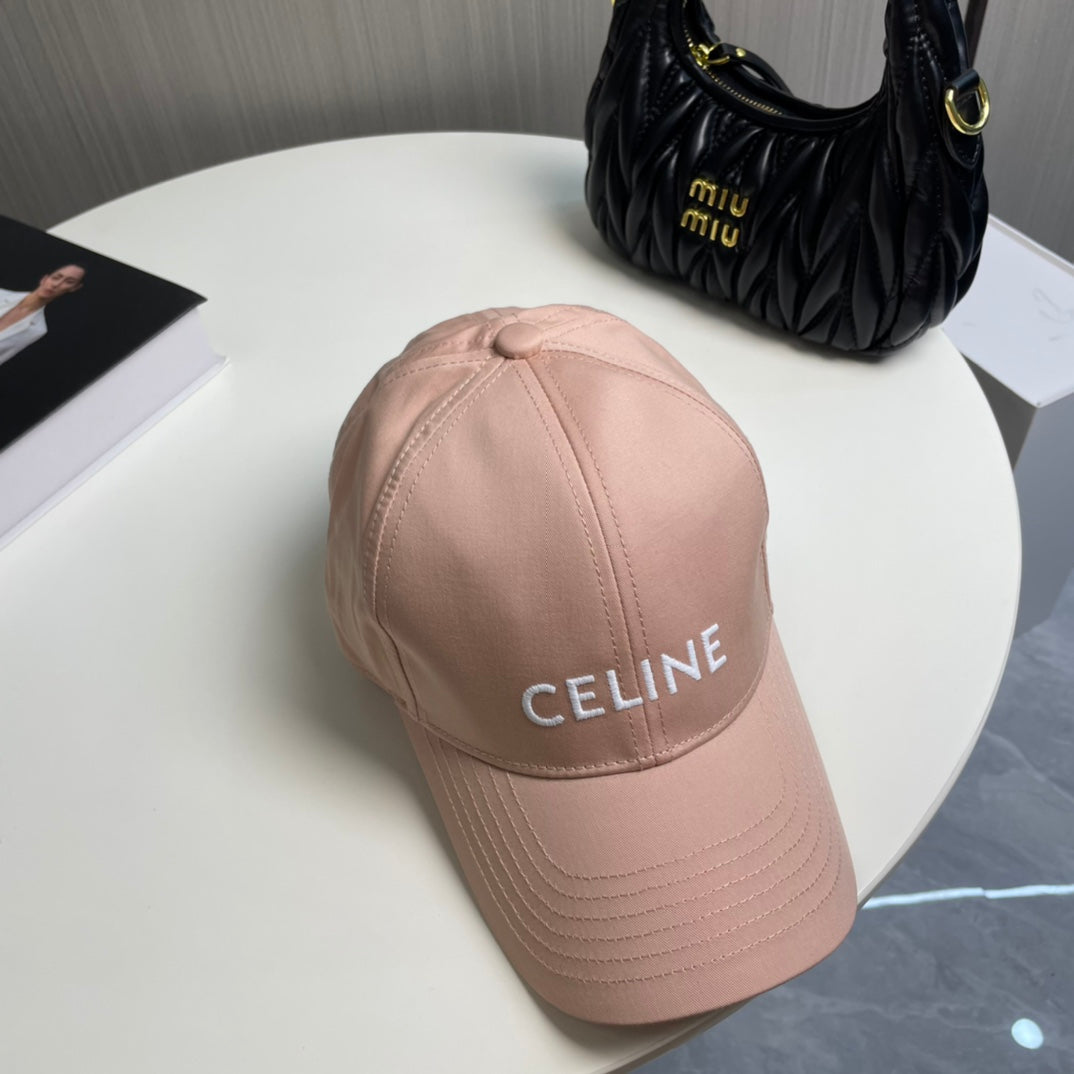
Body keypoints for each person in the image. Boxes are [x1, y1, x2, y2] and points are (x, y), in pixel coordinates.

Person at [0, 264, 86, 367]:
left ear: (74, 288)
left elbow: (3, 357)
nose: (56, 284)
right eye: (56, 277)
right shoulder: (2, 294)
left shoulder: (38, 329)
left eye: (69, 282)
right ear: (44, 279)